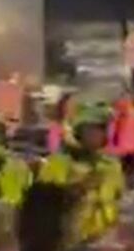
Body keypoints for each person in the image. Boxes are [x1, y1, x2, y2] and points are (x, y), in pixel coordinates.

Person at [38, 102, 126, 242]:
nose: (101, 134)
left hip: (104, 243)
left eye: (103, 128)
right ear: (80, 131)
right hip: (69, 245)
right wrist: (80, 188)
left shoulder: (111, 166)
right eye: (95, 128)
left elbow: (119, 202)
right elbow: (44, 206)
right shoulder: (58, 163)